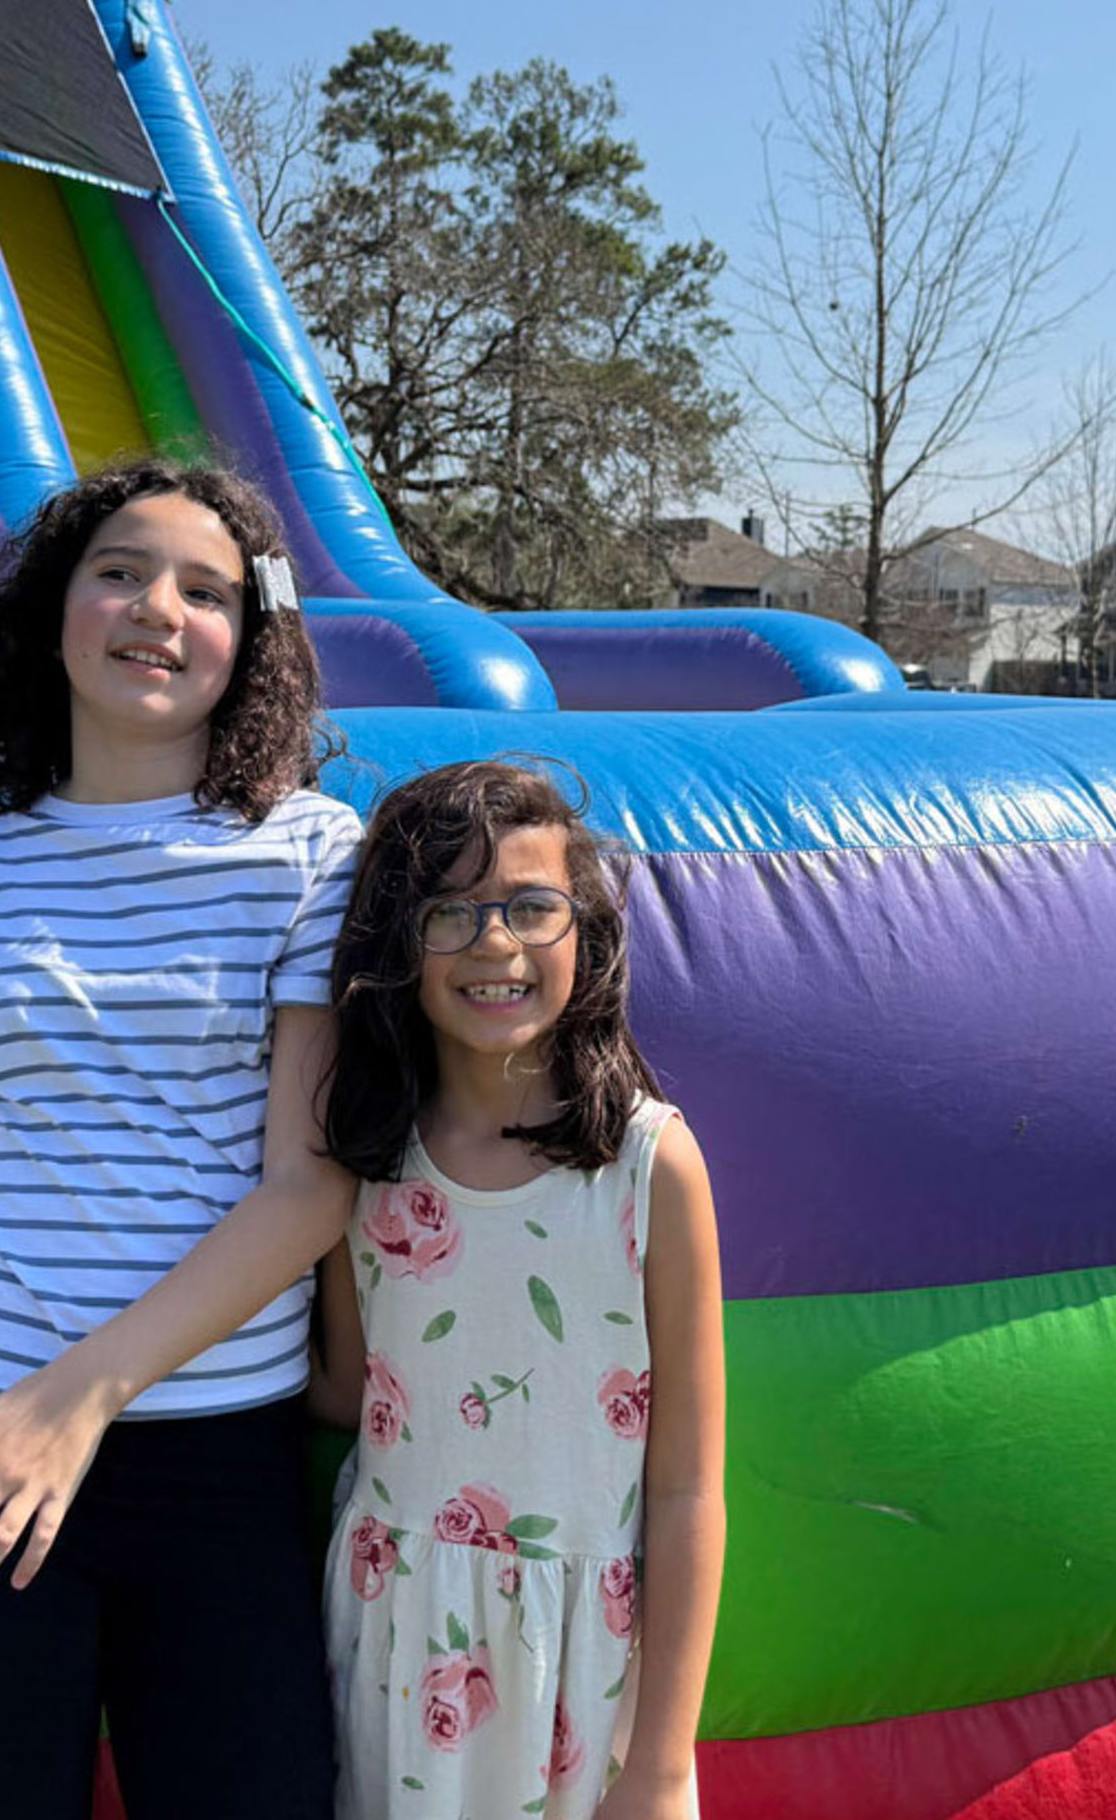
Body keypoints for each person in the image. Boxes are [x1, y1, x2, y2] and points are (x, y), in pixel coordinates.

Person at [0, 460, 358, 1819]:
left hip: (210, 1452)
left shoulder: (311, 852)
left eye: (206, 588)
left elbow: (308, 1189)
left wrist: (81, 1398)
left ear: (249, 640)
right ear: (54, 606)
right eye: (120, 569)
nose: (157, 609)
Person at [308, 761, 727, 1820]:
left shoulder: (647, 1166)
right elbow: (352, 1391)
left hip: (577, 1663)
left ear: (584, 928)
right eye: (451, 911)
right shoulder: (368, 1160)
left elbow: (686, 1487)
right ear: (399, 942)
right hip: (397, 1640)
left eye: (532, 906)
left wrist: (665, 1760)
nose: (495, 942)